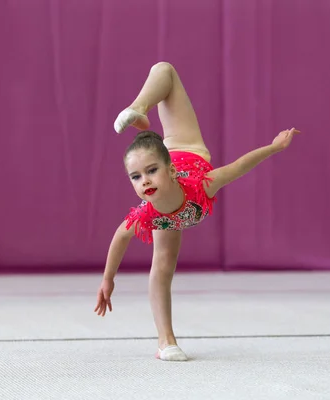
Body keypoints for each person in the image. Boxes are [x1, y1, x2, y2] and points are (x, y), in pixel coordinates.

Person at [94, 62, 300, 361]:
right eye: (136, 177)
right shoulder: (147, 214)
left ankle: (139, 108)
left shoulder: (203, 185)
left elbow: (241, 165)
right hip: (170, 218)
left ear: (171, 170)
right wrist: (108, 279)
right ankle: (166, 342)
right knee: (162, 266)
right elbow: (120, 238)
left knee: (164, 69)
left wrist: (274, 147)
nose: (145, 181)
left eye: (151, 171)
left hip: (185, 145)